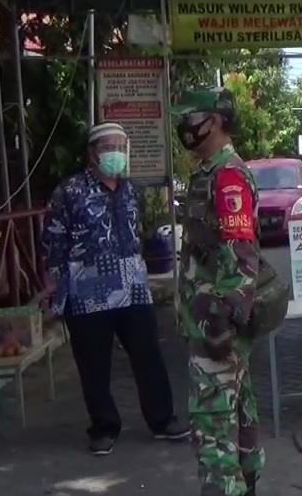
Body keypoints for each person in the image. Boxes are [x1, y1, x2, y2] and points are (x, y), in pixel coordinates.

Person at [39, 122, 188, 455]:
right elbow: (52, 240)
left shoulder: (130, 190)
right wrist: (57, 285)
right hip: (87, 292)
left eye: (121, 147)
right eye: (109, 147)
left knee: (148, 353)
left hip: (132, 286)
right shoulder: (70, 191)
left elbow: (139, 233)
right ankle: (104, 427)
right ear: (92, 153)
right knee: (93, 364)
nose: (116, 154)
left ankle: (162, 420)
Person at [173, 87, 264, 496]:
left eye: (193, 117)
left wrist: (224, 317)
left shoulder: (227, 174)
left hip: (216, 320)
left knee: (211, 423)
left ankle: (227, 488)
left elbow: (240, 250)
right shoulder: (209, 170)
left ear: (217, 120)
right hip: (211, 313)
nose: (185, 126)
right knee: (240, 410)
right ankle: (245, 483)